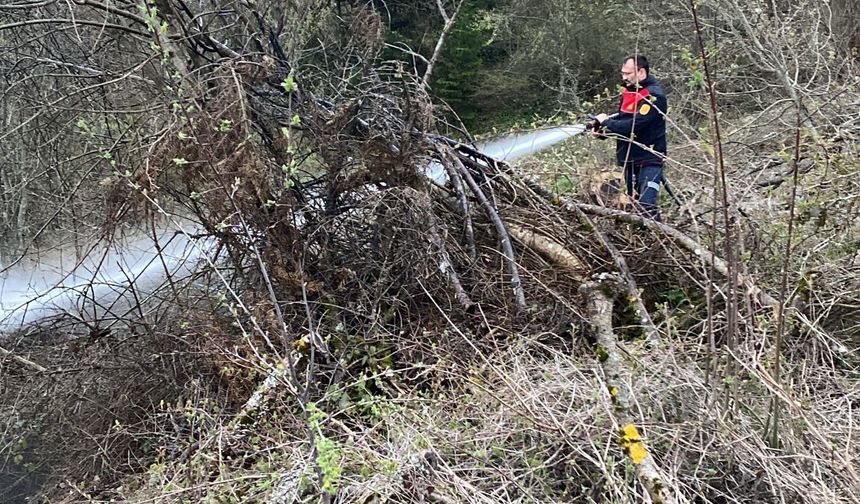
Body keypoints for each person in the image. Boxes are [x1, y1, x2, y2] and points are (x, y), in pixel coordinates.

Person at [593, 55, 667, 220]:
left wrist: (607, 122)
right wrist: (603, 130)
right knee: (631, 205)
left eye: (628, 74)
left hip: (650, 159)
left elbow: (634, 125)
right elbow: (622, 120)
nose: (624, 78)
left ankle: (660, 240)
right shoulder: (629, 92)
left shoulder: (654, 96)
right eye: (623, 73)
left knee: (646, 206)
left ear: (641, 72)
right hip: (630, 161)